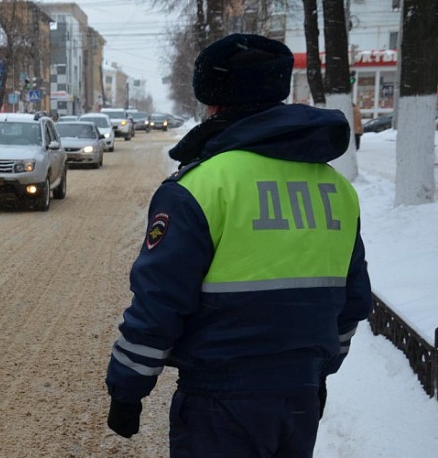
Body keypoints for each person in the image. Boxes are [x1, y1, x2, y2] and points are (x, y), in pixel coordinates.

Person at [105, 33, 372, 457]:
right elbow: (353, 300)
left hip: (220, 402)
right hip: (300, 401)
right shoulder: (336, 188)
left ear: (214, 104)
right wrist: (315, 370)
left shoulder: (202, 186)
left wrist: (127, 387)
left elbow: (160, 301)